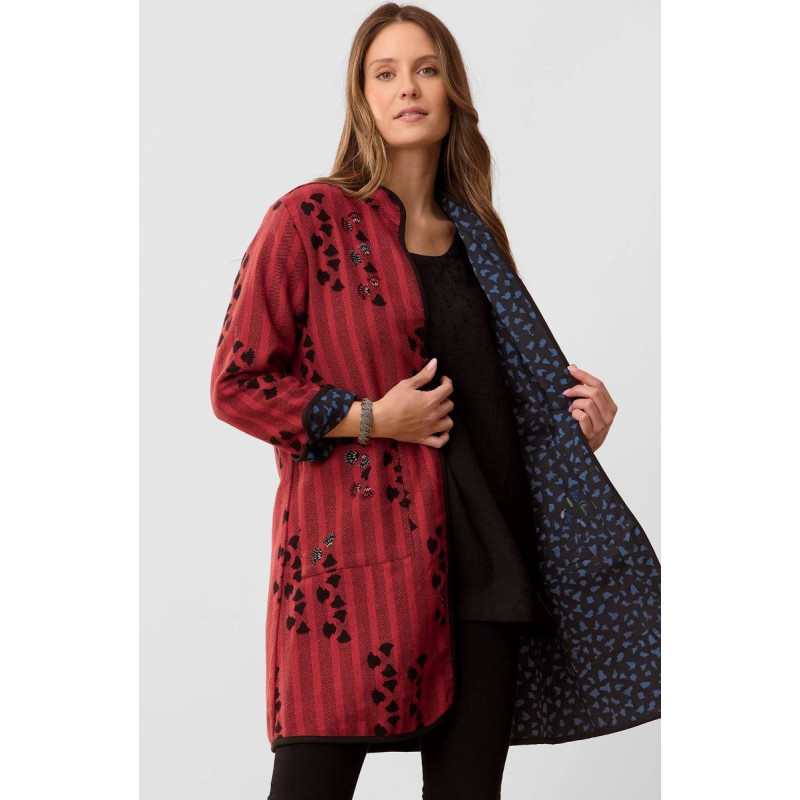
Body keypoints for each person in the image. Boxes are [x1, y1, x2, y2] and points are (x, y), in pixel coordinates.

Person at [210, 4, 660, 799]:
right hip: (354, 573)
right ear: (362, 96)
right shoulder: (308, 220)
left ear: (452, 90)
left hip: (485, 570)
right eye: (385, 73)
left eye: (426, 69)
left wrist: (574, 430)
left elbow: (493, 407)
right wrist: (371, 418)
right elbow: (237, 383)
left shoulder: (477, 237)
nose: (408, 87)